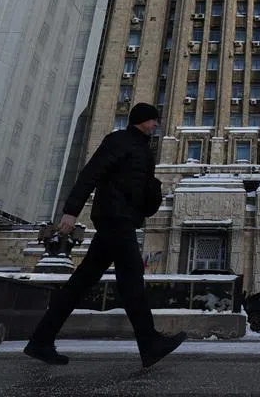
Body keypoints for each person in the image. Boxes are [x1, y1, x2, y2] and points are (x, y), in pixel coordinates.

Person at [24, 102, 186, 368]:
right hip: (114, 218)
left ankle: (40, 340)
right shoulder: (119, 141)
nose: (156, 124)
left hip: (123, 220)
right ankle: (150, 343)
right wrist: (71, 211)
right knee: (132, 280)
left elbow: (138, 187)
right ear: (141, 120)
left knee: (81, 282)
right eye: (153, 120)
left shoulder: (143, 148)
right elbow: (90, 174)